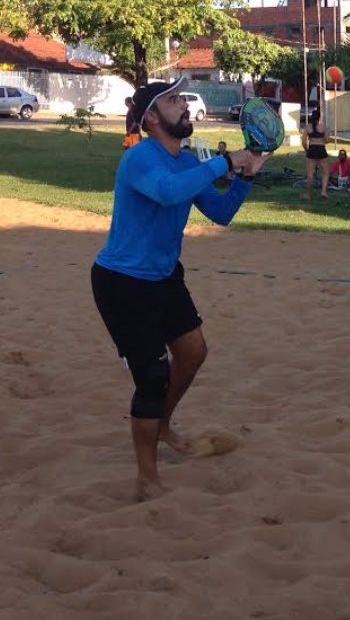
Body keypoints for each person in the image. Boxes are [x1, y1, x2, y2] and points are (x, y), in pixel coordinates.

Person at [90, 78, 269, 501]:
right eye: (173, 100)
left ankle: (164, 423)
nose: (184, 105)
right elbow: (168, 194)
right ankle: (147, 479)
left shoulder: (188, 162)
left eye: (182, 99)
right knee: (152, 378)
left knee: (192, 353)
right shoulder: (139, 158)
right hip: (123, 283)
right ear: (151, 117)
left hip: (164, 277)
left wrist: (245, 175)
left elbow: (221, 213)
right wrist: (225, 162)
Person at [302, 108, 329, 200]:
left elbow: (304, 141)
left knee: (310, 174)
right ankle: (324, 192)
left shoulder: (307, 127)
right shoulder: (323, 127)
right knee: (325, 172)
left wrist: (307, 149)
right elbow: (327, 140)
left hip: (312, 150)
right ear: (319, 118)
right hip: (321, 150)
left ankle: (308, 194)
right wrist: (321, 140)